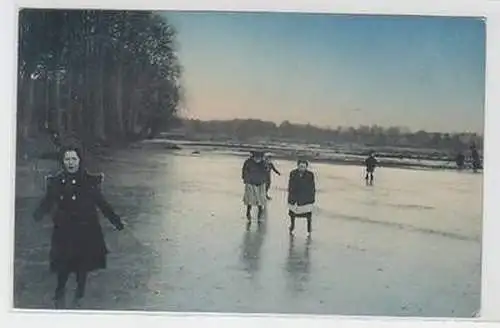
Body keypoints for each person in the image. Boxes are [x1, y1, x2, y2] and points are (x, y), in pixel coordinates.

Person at [33, 146, 125, 309]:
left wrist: (116, 221)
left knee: (82, 262)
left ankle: (79, 292)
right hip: (64, 228)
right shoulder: (56, 181)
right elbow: (48, 201)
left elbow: (101, 203)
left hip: (86, 228)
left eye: (73, 159)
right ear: (63, 161)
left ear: (79, 161)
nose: (70, 163)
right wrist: (38, 214)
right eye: (67, 159)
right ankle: (59, 292)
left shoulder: (89, 181)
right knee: (63, 262)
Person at [287, 159, 316, 236]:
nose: (302, 168)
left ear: (306, 167)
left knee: (308, 214)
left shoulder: (310, 175)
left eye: (303, 167)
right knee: (292, 213)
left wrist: (312, 198)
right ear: (298, 166)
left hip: (306, 197)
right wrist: (291, 196)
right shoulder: (293, 173)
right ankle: (292, 225)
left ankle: (309, 228)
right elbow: (290, 185)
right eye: (300, 166)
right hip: (295, 196)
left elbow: (312, 187)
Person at [242, 151, 268, 221]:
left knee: (260, 200)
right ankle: (248, 213)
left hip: (260, 183)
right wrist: (246, 179)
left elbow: (266, 172)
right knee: (250, 200)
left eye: (259, 157)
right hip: (251, 183)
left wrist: (264, 181)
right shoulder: (248, 162)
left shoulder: (263, 163)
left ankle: (259, 215)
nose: (257, 159)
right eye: (256, 157)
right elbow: (244, 172)